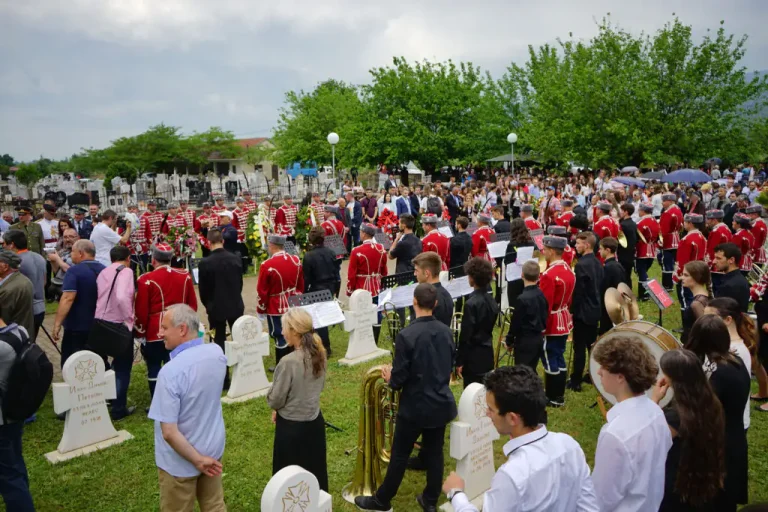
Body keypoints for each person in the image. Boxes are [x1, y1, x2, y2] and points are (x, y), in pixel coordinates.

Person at [354, 284, 457, 512]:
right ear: (436, 304)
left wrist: (390, 376)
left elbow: (398, 381)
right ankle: (430, 499)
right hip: (440, 404)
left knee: (399, 454)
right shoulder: (446, 331)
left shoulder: (406, 335)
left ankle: (381, 501)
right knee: (435, 452)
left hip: (415, 408)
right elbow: (448, 366)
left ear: (414, 302)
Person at [442, 365, 600, 512]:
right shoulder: (569, 445)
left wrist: (456, 494)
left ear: (512, 418)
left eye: (491, 409)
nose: (486, 413)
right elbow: (588, 505)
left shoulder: (511, 476)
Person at [148, 304, 227, 512]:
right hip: (212, 447)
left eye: (164, 327)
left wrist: (198, 460)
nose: (160, 333)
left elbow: (169, 432)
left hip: (180, 462)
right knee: (214, 505)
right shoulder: (217, 353)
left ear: (182, 329)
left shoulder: (170, 373)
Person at [591, 335, 673, 512]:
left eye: (604, 367)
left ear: (620, 377)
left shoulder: (614, 435)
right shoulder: (656, 413)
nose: (599, 372)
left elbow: (601, 499)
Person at [686, 315, 750, 511]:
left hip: (722, 444)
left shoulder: (720, 373)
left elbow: (702, 410)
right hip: (734, 435)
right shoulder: (733, 359)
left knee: (718, 501)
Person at [651, 349, 726, 512]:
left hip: (678, 482)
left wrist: (654, 401)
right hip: (704, 476)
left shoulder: (674, 418)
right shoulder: (711, 402)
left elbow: (652, 446)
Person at [267, 308, 328, 491]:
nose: (282, 331)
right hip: (314, 425)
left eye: (284, 327)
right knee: (314, 474)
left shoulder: (288, 362)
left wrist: (277, 405)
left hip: (292, 431)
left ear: (294, 331)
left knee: (289, 482)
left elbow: (275, 400)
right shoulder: (320, 354)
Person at [135, 243, 198, 399]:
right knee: (180, 363)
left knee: (154, 365)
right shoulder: (184, 275)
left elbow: (141, 310)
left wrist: (140, 331)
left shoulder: (145, 279)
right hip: (181, 328)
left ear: (153, 259)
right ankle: (182, 395)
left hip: (156, 329)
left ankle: (158, 400)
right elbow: (192, 306)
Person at [198, 227, 244, 389]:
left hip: (216, 306)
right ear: (222, 241)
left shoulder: (205, 263)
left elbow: (203, 291)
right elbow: (239, 284)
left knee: (218, 342)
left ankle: (223, 379)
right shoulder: (235, 258)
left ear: (209, 243)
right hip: (234, 303)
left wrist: (209, 305)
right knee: (239, 339)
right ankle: (244, 371)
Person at [94, 245, 136, 420]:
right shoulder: (126, 272)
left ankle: (106, 398)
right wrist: (130, 317)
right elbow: (121, 296)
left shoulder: (104, 271)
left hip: (100, 321)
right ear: (127, 258)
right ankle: (118, 408)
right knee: (122, 367)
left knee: (105, 364)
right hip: (118, 323)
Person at [0, 316, 35, 512]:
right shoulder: (20, 331)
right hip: (14, 412)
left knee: (8, 476)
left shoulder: (2, 347)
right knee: (15, 463)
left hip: (2, 419)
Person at [704, 297, 756, 431]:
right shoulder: (722, 344)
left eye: (711, 318)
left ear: (728, 320)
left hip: (730, 422)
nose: (705, 322)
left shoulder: (736, 351)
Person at [52, 240, 105, 367]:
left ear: (81, 253)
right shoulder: (104, 269)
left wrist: (57, 324)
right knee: (98, 361)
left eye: (73, 252)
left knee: (73, 362)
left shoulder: (74, 271)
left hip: (77, 325)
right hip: (100, 324)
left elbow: (67, 298)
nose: (71, 255)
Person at [256, 235, 304, 366]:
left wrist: (261, 309)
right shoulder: (295, 260)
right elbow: (300, 284)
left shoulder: (267, 265)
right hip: (294, 302)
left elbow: (262, 291)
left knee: (279, 335)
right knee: (294, 331)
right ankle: (296, 362)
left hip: (276, 306)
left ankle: (282, 365)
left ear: (271, 246)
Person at [539, 235, 575, 406]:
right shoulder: (568, 270)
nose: (543, 252)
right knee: (559, 355)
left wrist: (541, 327)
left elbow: (545, 304)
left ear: (552, 251)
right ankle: (559, 394)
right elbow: (568, 300)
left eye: (545, 249)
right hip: (564, 317)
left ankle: (553, 396)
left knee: (549, 356)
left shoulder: (549, 275)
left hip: (553, 319)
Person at [569, 232, 603, 391]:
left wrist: (572, 311)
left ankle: (575, 381)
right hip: (595, 308)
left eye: (578, 243)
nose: (576, 246)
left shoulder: (582, 264)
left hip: (583, 311)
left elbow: (579, 292)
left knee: (579, 347)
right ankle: (592, 375)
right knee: (591, 346)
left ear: (587, 245)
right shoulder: (598, 262)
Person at [457, 258, 498, 388]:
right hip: (487, 352)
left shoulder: (471, 304)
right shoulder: (491, 300)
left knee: (471, 391)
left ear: (473, 278)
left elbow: (466, 335)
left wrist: (459, 361)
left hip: (473, 356)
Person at [2, 230, 46, 342]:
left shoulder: (16, 262)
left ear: (11, 244)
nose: (3, 247)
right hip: (40, 307)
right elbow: (44, 281)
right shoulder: (39, 257)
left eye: (4, 244)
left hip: (25, 311)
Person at [303, 227, 341, 354]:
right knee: (322, 319)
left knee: (318, 320)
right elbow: (337, 274)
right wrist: (336, 290)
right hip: (329, 288)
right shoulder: (331, 252)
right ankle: (325, 346)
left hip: (316, 289)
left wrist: (304, 292)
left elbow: (306, 278)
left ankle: (323, 347)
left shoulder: (308, 256)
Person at [504, 261, 548, 370]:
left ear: (522, 275)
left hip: (525, 341)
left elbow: (515, 323)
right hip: (538, 339)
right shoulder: (541, 294)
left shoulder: (522, 299)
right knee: (530, 370)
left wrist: (509, 341)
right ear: (538, 276)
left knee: (522, 374)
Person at [673, 213, 707, 317]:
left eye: (685, 222)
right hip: (699, 272)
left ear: (690, 223)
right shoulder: (702, 237)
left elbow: (683, 261)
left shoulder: (686, 240)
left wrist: (678, 276)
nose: (683, 224)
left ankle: (687, 325)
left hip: (688, 274)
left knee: (685, 300)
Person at [412, 252, 453, 327]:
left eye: (417, 270)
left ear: (427, 273)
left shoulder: (426, 297)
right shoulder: (446, 294)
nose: (415, 274)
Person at [0, 251, 34, 338]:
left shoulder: (8, 290)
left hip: (12, 338)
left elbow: (3, 318)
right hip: (23, 332)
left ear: (5, 266)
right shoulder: (23, 279)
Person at [598, 237, 627, 335]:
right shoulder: (617, 265)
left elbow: (604, 287)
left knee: (606, 332)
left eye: (601, 249)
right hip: (614, 303)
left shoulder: (609, 268)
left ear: (608, 250)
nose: (599, 251)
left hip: (609, 306)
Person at [680, 260, 712, 346]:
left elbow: (706, 332)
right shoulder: (704, 296)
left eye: (686, 275)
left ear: (696, 277)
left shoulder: (697, 304)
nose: (682, 278)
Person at [713, 243, 750, 313]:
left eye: (718, 258)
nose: (714, 261)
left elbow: (723, 312)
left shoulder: (731, 285)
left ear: (731, 260)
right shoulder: (737, 279)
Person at [660, 193, 683, 290]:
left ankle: (667, 285)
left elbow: (663, 230)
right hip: (676, 239)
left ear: (670, 201)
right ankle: (677, 281)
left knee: (667, 263)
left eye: (664, 201)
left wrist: (660, 241)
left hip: (668, 240)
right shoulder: (678, 210)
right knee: (676, 263)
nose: (662, 203)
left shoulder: (668, 213)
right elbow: (681, 226)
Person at [705, 209, 732, 294]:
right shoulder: (726, 229)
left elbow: (712, 250)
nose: (707, 221)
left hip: (716, 265)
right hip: (725, 263)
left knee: (715, 289)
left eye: (709, 219)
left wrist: (708, 265)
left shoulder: (716, 231)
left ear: (714, 220)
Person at [617, 203, 637, 285]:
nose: (620, 212)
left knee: (623, 274)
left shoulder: (623, 225)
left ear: (626, 212)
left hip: (623, 252)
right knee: (628, 275)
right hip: (631, 252)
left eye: (622, 210)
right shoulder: (633, 223)